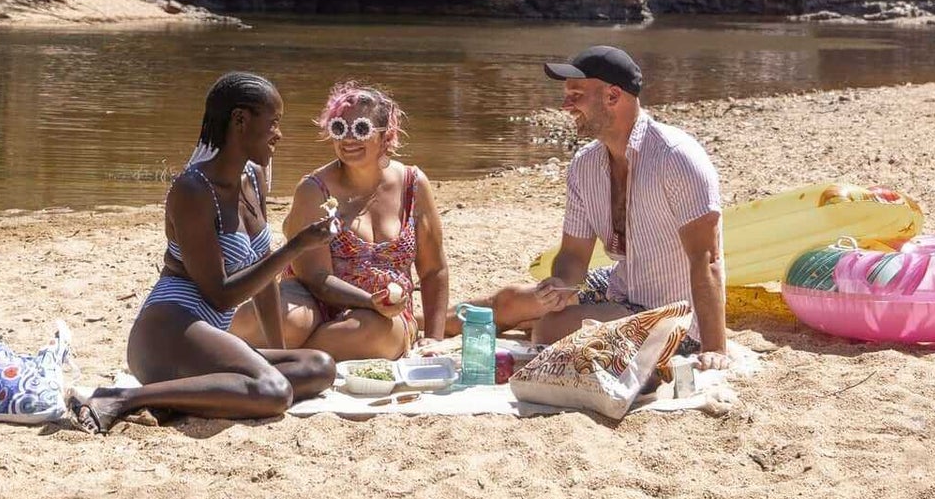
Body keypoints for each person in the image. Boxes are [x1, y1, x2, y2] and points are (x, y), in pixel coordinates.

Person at [85, 72, 341, 430]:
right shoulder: (192, 191)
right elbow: (220, 296)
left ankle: (180, 398)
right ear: (240, 120)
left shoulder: (253, 177)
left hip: (209, 336)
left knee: (318, 367)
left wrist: (279, 350)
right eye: (273, 123)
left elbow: (264, 270)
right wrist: (297, 246)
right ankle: (123, 398)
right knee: (273, 391)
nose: (278, 134)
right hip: (169, 335)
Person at [489, 43, 728, 364]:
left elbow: (706, 259)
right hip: (623, 283)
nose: (565, 105)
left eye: (576, 95)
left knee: (549, 328)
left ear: (613, 96)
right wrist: (560, 289)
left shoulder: (676, 157)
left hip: (673, 314)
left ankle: (556, 320)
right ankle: (421, 324)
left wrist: (714, 350)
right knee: (513, 302)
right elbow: (574, 255)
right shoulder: (585, 165)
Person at [283, 79, 448, 366]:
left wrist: (433, 338)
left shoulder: (413, 185)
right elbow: (315, 278)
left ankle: (279, 358)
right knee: (287, 319)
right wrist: (368, 300)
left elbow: (434, 269)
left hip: (386, 318)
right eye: (338, 128)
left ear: (387, 136)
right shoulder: (313, 190)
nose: (348, 139)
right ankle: (292, 355)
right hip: (317, 305)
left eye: (360, 128)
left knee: (374, 330)